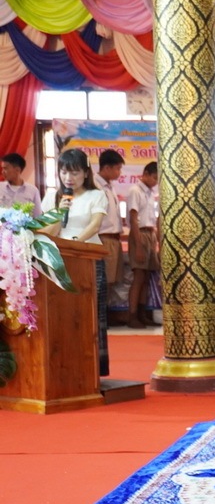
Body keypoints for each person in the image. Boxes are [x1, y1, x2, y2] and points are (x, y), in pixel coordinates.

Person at [38, 148, 110, 376]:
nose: (68, 178)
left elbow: (95, 226)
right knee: (62, 311)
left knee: (91, 312)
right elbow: (46, 232)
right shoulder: (53, 197)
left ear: (86, 173)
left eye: (74, 173)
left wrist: (77, 243)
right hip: (58, 259)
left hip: (87, 257)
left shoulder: (96, 195)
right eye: (64, 172)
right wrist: (59, 213)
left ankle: (93, 368)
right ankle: (64, 365)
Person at [125, 162, 159, 329]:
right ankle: (132, 316)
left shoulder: (151, 193)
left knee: (146, 277)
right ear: (145, 173)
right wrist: (138, 246)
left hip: (150, 234)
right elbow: (133, 219)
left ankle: (142, 314)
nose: (155, 182)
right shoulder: (135, 190)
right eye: (154, 178)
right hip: (139, 234)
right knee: (138, 276)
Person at [95, 149, 126, 313]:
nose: (119, 172)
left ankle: (103, 315)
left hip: (113, 239)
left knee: (110, 281)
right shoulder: (95, 186)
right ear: (106, 168)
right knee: (101, 281)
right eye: (117, 168)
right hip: (102, 238)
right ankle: (97, 316)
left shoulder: (110, 187)